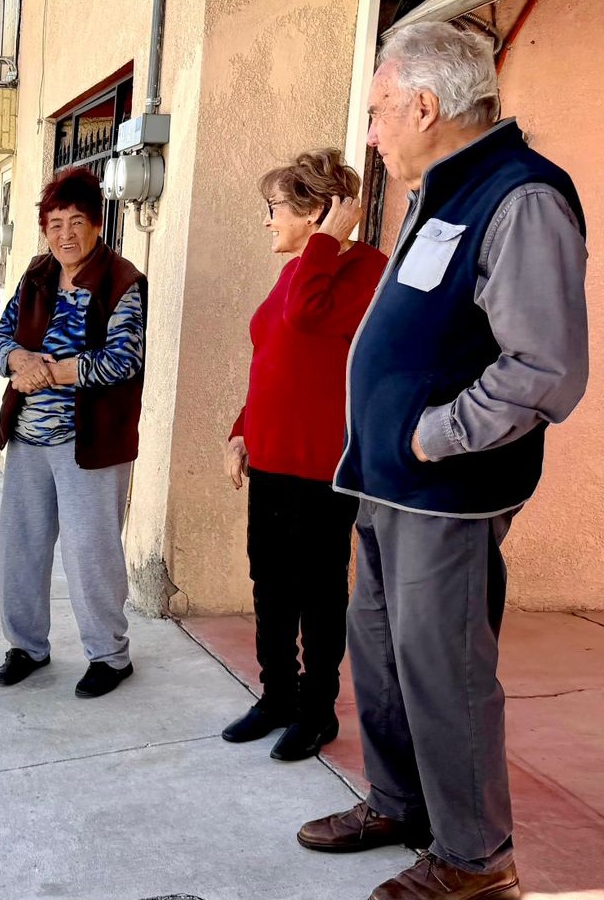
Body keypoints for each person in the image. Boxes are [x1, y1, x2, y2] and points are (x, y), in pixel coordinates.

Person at [298, 23, 588, 900]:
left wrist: (437, 434)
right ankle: (399, 804)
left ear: (424, 106)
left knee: (444, 669)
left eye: (379, 111)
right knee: (382, 652)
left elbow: (545, 368)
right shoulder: (445, 191)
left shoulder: (520, 196)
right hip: (390, 482)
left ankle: (476, 859)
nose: (371, 133)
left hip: (447, 488)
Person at [220, 150, 386, 762]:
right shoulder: (297, 269)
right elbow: (272, 354)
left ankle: (317, 713)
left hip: (321, 465)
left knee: (318, 594)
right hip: (270, 458)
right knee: (269, 584)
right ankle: (276, 698)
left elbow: (308, 318)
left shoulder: (364, 269)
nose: (267, 221)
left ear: (317, 211)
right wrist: (242, 430)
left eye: (275, 208)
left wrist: (325, 244)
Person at [0, 166, 148, 699]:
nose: (65, 234)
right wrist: (19, 361)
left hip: (90, 444)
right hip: (28, 439)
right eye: (54, 224)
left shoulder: (122, 281)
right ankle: (26, 647)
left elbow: (122, 361)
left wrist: (49, 372)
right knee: (21, 549)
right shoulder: (36, 274)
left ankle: (109, 656)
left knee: (90, 553)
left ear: (97, 225)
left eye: (76, 222)